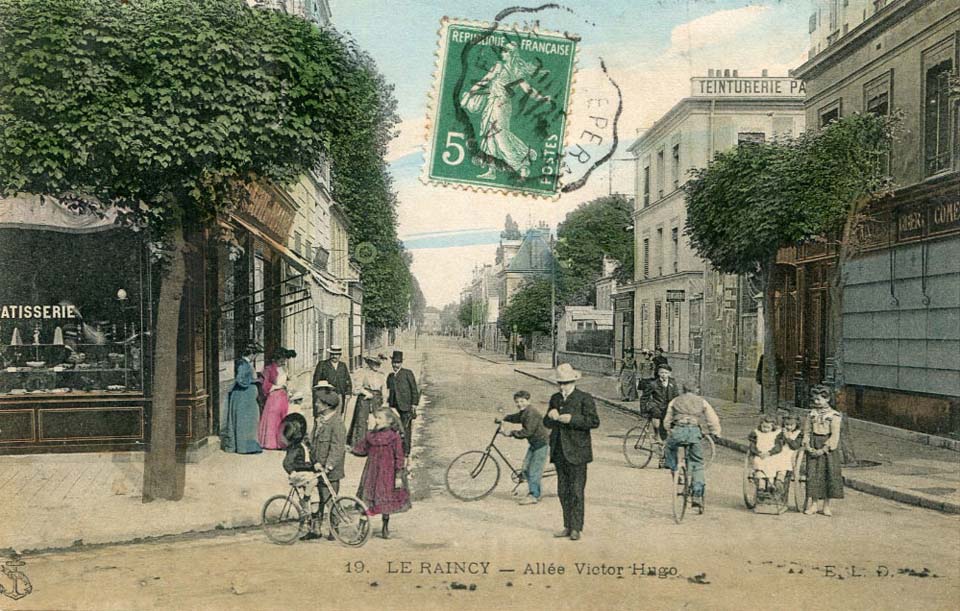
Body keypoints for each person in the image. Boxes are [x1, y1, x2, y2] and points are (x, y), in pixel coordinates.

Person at [459, 40, 549, 180]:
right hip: (493, 103)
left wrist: (542, 98)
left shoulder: (510, 70)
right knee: (488, 135)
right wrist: (471, 93)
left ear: (512, 54)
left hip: (501, 104)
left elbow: (528, 90)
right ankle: (492, 170)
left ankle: (522, 164)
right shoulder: (505, 68)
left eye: (505, 51)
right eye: (502, 51)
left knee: (500, 135)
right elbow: (485, 81)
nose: (502, 53)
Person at [543, 363, 600, 541]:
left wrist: (572, 419)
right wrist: (550, 416)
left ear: (573, 381)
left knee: (576, 491)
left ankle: (576, 528)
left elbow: (593, 421)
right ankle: (567, 525)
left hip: (578, 451)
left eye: (565, 383)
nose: (562, 387)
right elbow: (547, 423)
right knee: (562, 491)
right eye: (559, 383)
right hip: (559, 450)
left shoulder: (584, 398)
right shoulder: (555, 398)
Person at [353, 409, 411, 540]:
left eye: (379, 418)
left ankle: (385, 526)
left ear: (389, 421)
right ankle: (362, 528)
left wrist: (398, 474)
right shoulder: (371, 435)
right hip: (372, 472)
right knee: (367, 498)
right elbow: (363, 449)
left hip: (387, 473)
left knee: (385, 499)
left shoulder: (394, 437)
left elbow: (399, 457)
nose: (376, 421)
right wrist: (352, 450)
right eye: (375, 418)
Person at [662, 384, 722, 508]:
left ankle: (675, 471)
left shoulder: (675, 400)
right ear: (696, 390)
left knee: (669, 449)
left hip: (678, 431)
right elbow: (712, 419)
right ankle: (697, 493)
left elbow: (667, 419)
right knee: (697, 463)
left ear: (682, 390)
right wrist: (716, 432)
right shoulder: (702, 401)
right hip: (694, 433)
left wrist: (669, 430)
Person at [307, 385, 347, 541]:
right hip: (317, 467)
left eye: (319, 402)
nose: (316, 404)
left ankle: (334, 530)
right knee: (317, 500)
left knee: (331, 500)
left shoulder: (337, 424)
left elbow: (337, 448)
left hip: (330, 471)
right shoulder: (320, 421)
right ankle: (315, 529)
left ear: (327, 405)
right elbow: (315, 443)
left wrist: (328, 466)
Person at [499, 390, 550, 505]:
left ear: (528, 401)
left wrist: (510, 433)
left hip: (541, 444)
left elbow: (527, 432)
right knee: (525, 468)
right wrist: (505, 418)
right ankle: (533, 487)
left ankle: (534, 495)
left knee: (533, 471)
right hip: (534, 444)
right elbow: (518, 417)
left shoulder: (531, 413)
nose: (519, 404)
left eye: (522, 401)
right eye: (517, 402)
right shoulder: (525, 412)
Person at [802, 385, 844, 516]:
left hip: (827, 448)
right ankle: (814, 504)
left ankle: (826, 505)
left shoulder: (834, 416)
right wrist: (808, 445)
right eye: (815, 399)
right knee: (813, 475)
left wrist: (825, 448)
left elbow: (835, 435)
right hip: (814, 443)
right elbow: (807, 431)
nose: (816, 402)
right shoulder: (811, 414)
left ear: (827, 399)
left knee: (828, 475)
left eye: (819, 399)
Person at [221, 343, 263, 454]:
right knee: (245, 421)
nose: (255, 357)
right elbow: (240, 380)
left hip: (246, 397)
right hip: (243, 397)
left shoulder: (245, 363)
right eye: (256, 355)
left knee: (248, 421)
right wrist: (255, 381)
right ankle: (244, 447)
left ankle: (246, 445)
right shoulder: (243, 364)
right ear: (252, 354)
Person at [258, 347, 295, 450]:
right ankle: (271, 443)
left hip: (283, 397)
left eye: (284, 359)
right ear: (276, 359)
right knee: (273, 418)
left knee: (283, 418)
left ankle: (281, 442)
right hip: (274, 397)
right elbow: (265, 385)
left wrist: (288, 388)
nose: (283, 361)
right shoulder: (269, 369)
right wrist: (278, 387)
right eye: (281, 359)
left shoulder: (284, 369)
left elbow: (286, 381)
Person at [349, 355, 389, 447]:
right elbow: (357, 388)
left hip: (377, 399)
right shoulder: (363, 373)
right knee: (362, 420)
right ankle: (360, 445)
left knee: (377, 420)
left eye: (378, 364)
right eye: (374, 363)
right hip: (365, 398)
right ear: (369, 364)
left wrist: (384, 400)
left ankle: (376, 444)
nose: (376, 366)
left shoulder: (381, 375)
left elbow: (384, 388)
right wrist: (366, 393)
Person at [387, 350, 420, 456]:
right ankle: (396, 449)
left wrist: (414, 404)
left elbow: (414, 389)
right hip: (394, 407)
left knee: (405, 429)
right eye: (394, 363)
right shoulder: (390, 376)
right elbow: (389, 391)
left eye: (397, 363)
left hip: (406, 406)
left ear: (401, 363)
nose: (395, 365)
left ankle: (406, 450)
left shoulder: (407, 373)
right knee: (394, 428)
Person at [643, 364, 681, 452]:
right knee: (656, 415)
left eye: (666, 373)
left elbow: (676, 396)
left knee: (670, 425)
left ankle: (666, 445)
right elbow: (644, 398)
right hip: (657, 406)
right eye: (662, 372)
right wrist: (644, 411)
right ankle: (656, 435)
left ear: (670, 374)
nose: (664, 374)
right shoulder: (653, 384)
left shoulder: (673, 383)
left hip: (668, 408)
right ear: (658, 373)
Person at [312, 345, 352, 418]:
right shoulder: (322, 365)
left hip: (339, 394)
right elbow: (316, 382)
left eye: (337, 354)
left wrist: (348, 393)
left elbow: (348, 380)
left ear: (340, 355)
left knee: (338, 416)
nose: (334, 356)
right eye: (332, 354)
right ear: (330, 354)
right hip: (327, 395)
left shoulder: (343, 366)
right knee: (326, 416)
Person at [748, 415, 783, 495]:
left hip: (770, 454)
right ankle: (761, 485)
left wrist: (770, 453)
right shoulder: (757, 433)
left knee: (772, 464)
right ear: (761, 425)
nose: (765, 429)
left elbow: (778, 446)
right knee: (758, 463)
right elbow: (752, 445)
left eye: (768, 427)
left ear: (772, 427)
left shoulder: (775, 435)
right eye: (764, 427)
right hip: (760, 454)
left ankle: (771, 483)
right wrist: (758, 452)